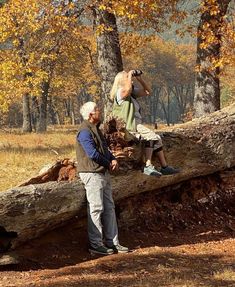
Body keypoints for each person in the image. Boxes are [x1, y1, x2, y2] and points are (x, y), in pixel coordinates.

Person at [76, 101, 129, 255]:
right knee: (96, 208)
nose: (100, 111)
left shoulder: (96, 130)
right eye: (97, 110)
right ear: (91, 114)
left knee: (109, 207)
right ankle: (96, 244)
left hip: (102, 172)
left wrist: (112, 159)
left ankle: (113, 242)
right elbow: (92, 154)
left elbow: (104, 150)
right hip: (92, 173)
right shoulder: (84, 131)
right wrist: (108, 163)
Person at [110, 70, 180, 176]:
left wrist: (140, 79)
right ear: (121, 81)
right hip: (129, 126)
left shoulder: (131, 94)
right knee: (151, 136)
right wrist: (129, 74)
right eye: (127, 77)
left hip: (136, 123)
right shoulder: (120, 92)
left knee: (157, 139)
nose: (130, 78)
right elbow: (127, 89)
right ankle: (147, 166)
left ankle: (164, 166)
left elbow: (148, 92)